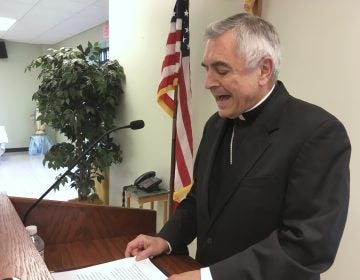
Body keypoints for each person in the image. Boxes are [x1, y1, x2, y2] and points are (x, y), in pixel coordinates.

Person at [125, 13, 351, 280]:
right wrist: (165, 239)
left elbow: (307, 246)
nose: (208, 82)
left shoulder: (318, 133)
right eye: (206, 69)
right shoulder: (215, 125)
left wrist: (209, 277)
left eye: (221, 70)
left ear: (264, 70)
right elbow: (199, 200)